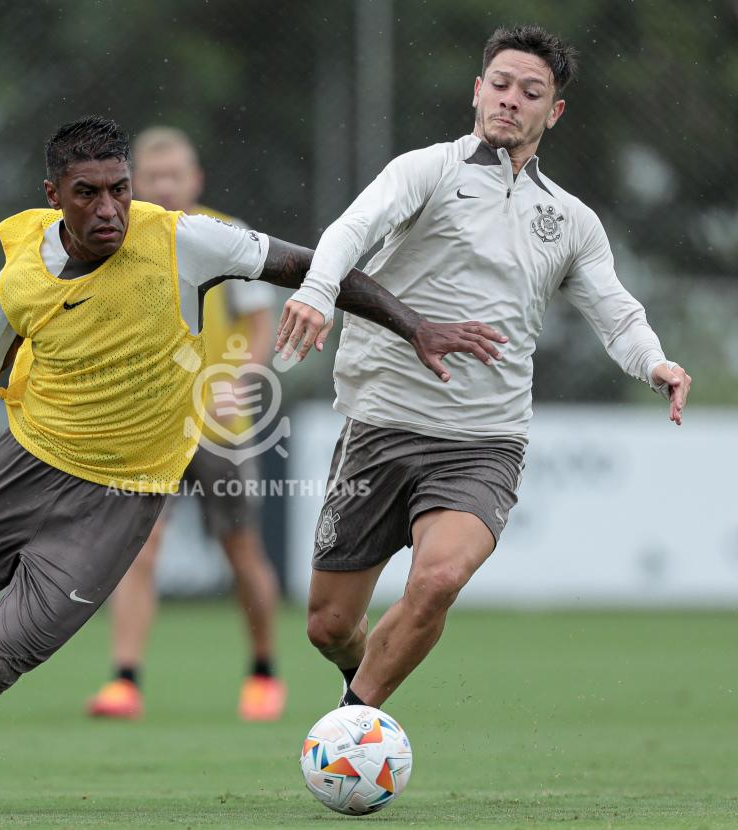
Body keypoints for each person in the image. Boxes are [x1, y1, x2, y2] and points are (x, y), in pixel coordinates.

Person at [0, 115, 505, 816]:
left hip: (121, 499)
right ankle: (4, 637)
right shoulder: (19, 279)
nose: (111, 207)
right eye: (88, 193)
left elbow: (312, 266)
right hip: (20, 469)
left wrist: (415, 327)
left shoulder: (186, 241)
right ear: (53, 196)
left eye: (121, 188)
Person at [274, 25, 693, 712]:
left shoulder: (571, 220)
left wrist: (655, 362)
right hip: (380, 424)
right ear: (478, 91)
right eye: (500, 84)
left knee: (438, 579)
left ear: (552, 112)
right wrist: (318, 291)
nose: (510, 100)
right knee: (328, 625)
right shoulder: (426, 171)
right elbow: (352, 228)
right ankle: (362, 672)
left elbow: (615, 311)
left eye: (531, 92)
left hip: (483, 439)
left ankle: (355, 726)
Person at [85, 126, 284, 722]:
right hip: (149, 428)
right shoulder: (116, 243)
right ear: (134, 185)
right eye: (154, 177)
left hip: (219, 428)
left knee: (240, 550)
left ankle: (264, 672)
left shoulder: (227, 237)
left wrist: (238, 380)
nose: (166, 187)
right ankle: (125, 680)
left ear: (195, 181)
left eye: (177, 176)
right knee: (139, 551)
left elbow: (258, 327)